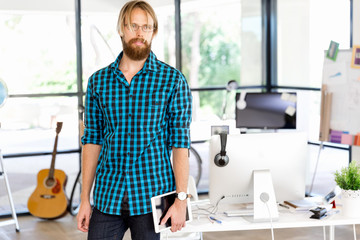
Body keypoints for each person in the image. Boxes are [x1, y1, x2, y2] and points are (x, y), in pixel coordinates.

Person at [76, 1, 192, 239]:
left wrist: (181, 200)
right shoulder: (98, 82)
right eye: (134, 26)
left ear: (154, 32)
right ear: (121, 28)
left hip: (153, 197)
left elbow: (181, 144)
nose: (140, 33)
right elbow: (92, 141)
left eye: (146, 27)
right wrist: (85, 199)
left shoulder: (172, 80)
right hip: (108, 195)